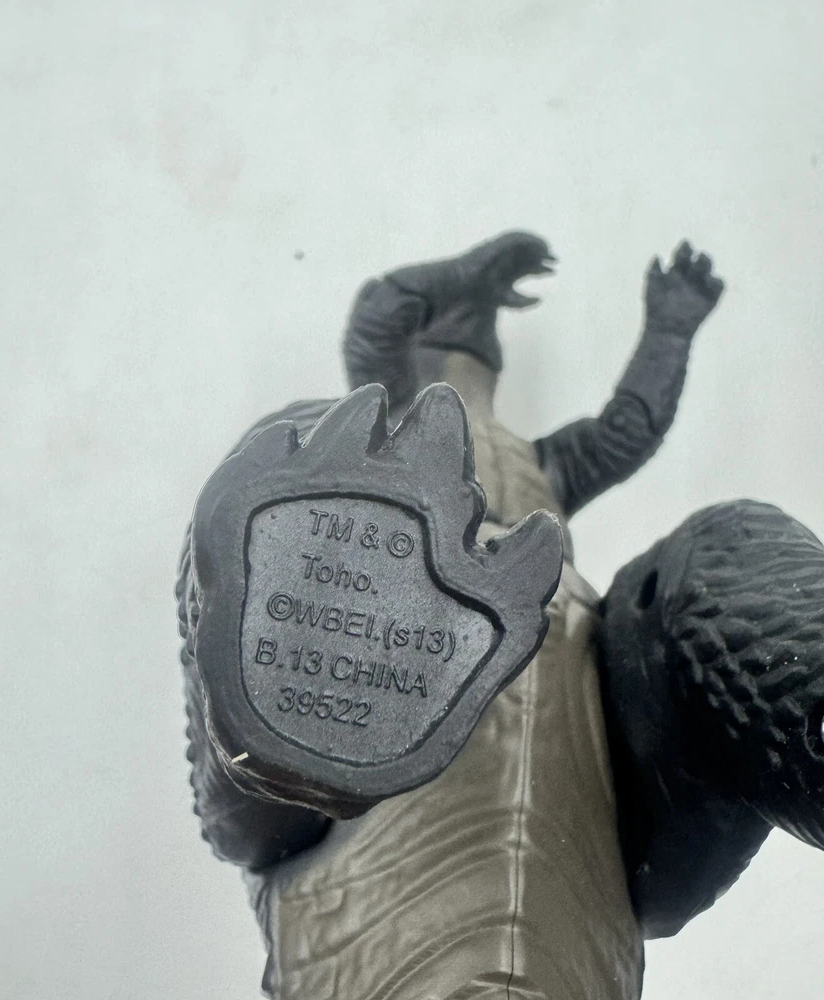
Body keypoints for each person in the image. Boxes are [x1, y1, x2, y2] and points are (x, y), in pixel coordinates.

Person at [179, 231, 724, 999]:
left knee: (552, 831)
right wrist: (469, 277)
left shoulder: (546, 462)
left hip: (548, 654)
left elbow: (626, 430)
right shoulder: (392, 425)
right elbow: (379, 317)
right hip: (406, 648)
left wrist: (669, 328)